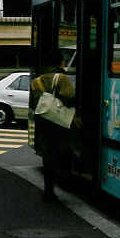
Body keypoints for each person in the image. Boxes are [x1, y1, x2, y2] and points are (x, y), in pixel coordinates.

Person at [31, 50, 76, 201]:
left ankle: (48, 191)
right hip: (59, 122)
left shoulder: (36, 81)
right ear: (59, 63)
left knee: (48, 155)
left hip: (43, 121)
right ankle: (66, 181)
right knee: (65, 151)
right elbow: (69, 97)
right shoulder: (61, 78)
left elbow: (34, 103)